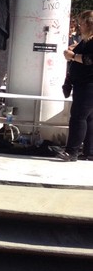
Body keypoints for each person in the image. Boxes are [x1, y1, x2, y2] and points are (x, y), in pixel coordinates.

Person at [54, 10, 93, 161]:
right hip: (82, 83)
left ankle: (72, 151)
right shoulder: (86, 40)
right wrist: (73, 50)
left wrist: (73, 56)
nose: (79, 27)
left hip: (88, 84)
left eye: (82, 23)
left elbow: (89, 59)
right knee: (89, 118)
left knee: (78, 117)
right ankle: (89, 151)